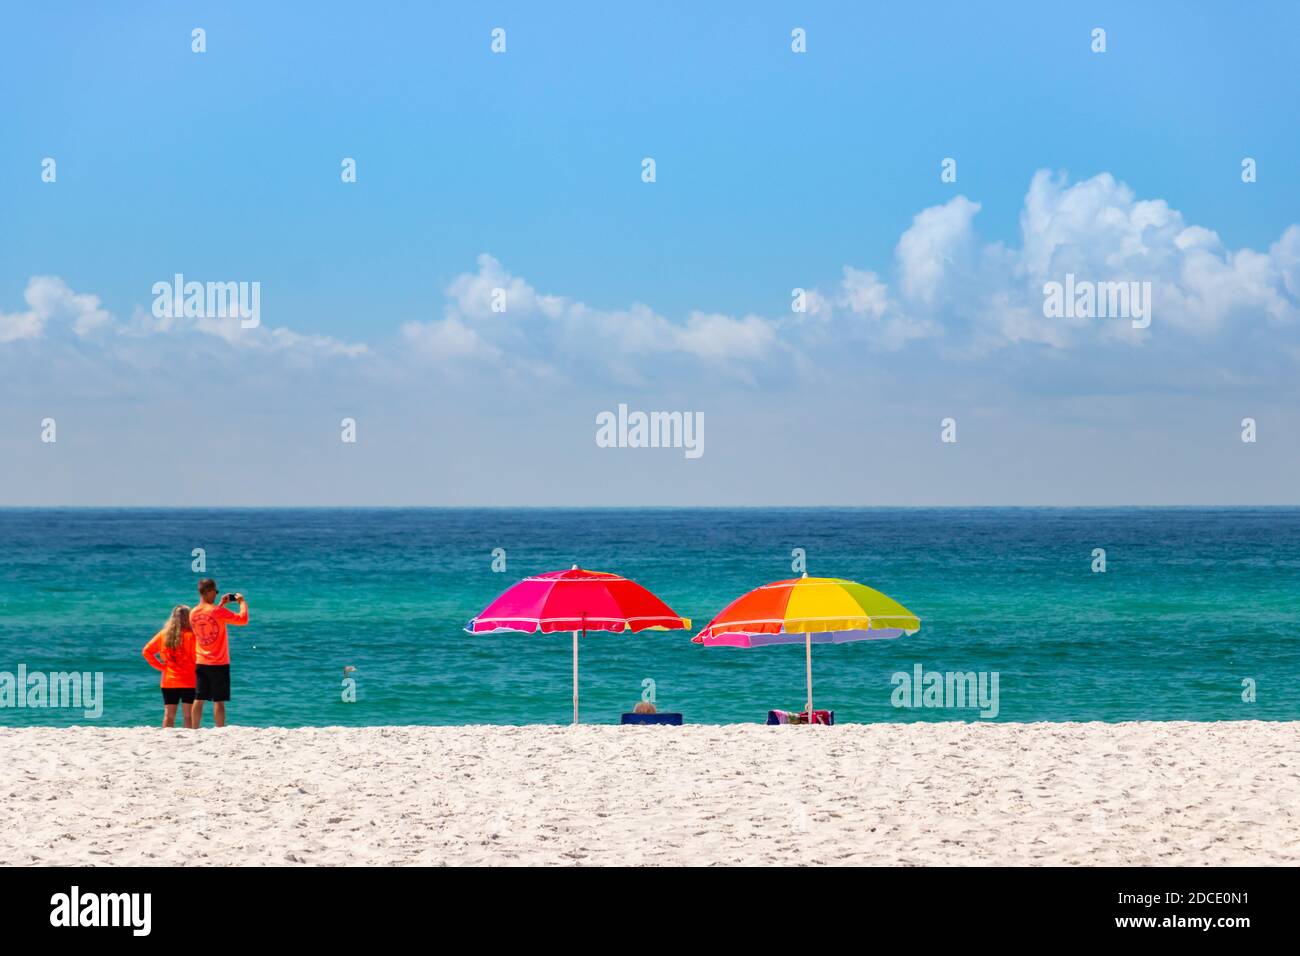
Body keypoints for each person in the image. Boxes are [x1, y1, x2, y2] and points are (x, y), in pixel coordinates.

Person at [189, 579, 249, 728]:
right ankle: (220, 729)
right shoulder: (217, 611)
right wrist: (241, 602)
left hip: (201, 661)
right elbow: (243, 620)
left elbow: (210, 620)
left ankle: (194, 728)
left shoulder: (193, 612)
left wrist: (221, 604)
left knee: (199, 698)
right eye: (215, 592)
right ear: (209, 592)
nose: (216, 594)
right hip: (219, 662)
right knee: (218, 700)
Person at [142, 605, 197, 728]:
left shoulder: (164, 634)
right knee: (188, 716)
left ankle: (167, 740)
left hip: (169, 680)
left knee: (169, 715)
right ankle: (189, 741)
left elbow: (147, 651)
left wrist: (161, 667)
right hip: (189, 680)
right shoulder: (193, 635)